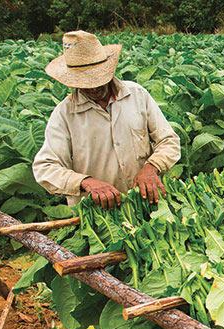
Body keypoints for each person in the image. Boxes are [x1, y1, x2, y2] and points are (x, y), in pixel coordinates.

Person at [33, 31, 181, 209]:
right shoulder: (65, 113)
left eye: (96, 79)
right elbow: (45, 168)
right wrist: (85, 182)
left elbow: (169, 140)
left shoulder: (137, 95)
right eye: (84, 82)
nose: (93, 88)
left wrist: (151, 167)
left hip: (146, 203)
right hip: (98, 214)